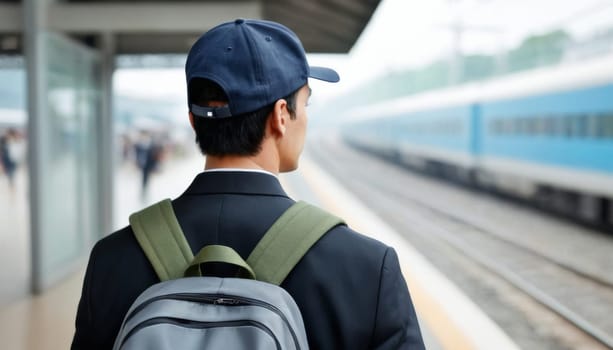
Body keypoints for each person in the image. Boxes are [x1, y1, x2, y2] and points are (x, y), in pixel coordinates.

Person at [71, 19, 425, 350]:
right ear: (281, 115)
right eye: (306, 103)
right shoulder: (367, 267)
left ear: (194, 121)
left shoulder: (111, 259)